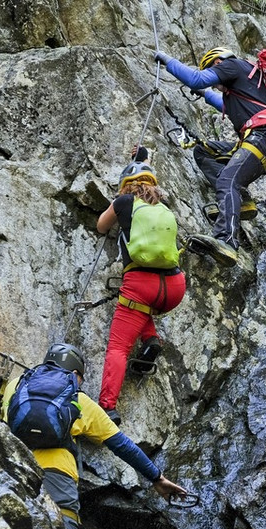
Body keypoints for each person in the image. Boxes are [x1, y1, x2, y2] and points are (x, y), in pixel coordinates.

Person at [1, 343, 187, 529]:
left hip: (14, 467)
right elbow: (122, 445)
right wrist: (157, 477)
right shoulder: (79, 401)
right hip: (57, 475)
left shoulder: (15, 386)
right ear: (74, 373)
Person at [153, 46, 266, 267]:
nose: (215, 83)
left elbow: (197, 79)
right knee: (203, 151)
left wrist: (167, 60)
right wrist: (205, 95)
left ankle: (226, 240)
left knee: (228, 180)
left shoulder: (233, 65)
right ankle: (242, 201)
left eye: (214, 75)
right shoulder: (245, 85)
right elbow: (223, 104)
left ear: (218, 63)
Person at [96, 151, 186, 424]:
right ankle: (150, 340)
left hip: (140, 283)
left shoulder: (124, 201)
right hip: (174, 286)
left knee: (118, 347)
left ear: (125, 185)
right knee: (138, 308)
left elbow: (101, 226)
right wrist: (143, 156)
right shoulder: (162, 206)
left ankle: (107, 407)